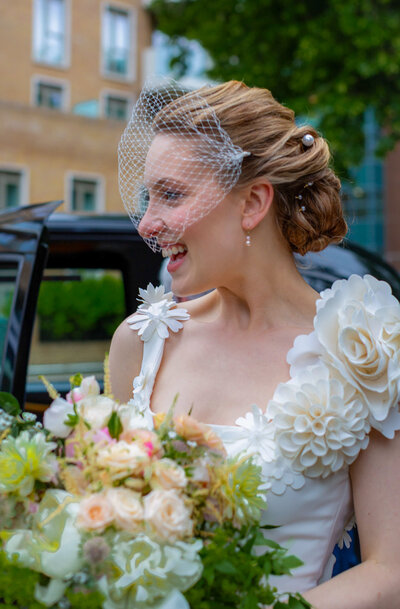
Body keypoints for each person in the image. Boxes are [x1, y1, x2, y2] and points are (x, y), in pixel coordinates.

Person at [109, 80, 400, 607]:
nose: (149, 223)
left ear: (253, 203)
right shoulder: (140, 343)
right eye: (149, 197)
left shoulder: (367, 354)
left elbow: (389, 571)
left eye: (171, 195)